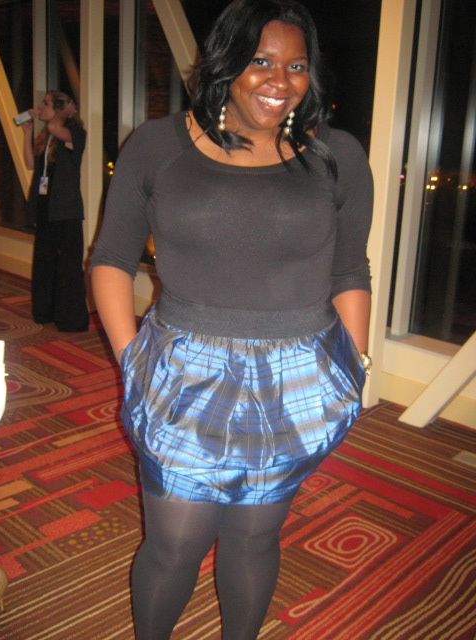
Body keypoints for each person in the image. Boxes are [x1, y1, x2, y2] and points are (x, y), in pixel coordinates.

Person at [90, 0, 373, 637]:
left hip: (299, 374)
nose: (280, 81)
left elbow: (350, 268)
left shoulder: (336, 155)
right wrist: (132, 359)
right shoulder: (158, 145)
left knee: (255, 535)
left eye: (296, 65)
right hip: (186, 374)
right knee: (175, 543)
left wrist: (356, 364)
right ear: (226, 62)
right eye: (261, 61)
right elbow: (110, 258)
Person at [22, 91, 89, 332]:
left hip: (66, 210)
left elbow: (54, 127)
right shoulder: (46, 136)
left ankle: (70, 319)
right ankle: (44, 312)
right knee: (44, 262)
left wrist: (64, 113)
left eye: (46, 104)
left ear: (60, 109)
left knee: (68, 266)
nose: (41, 108)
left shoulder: (74, 133)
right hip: (45, 208)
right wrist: (28, 133)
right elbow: (30, 163)